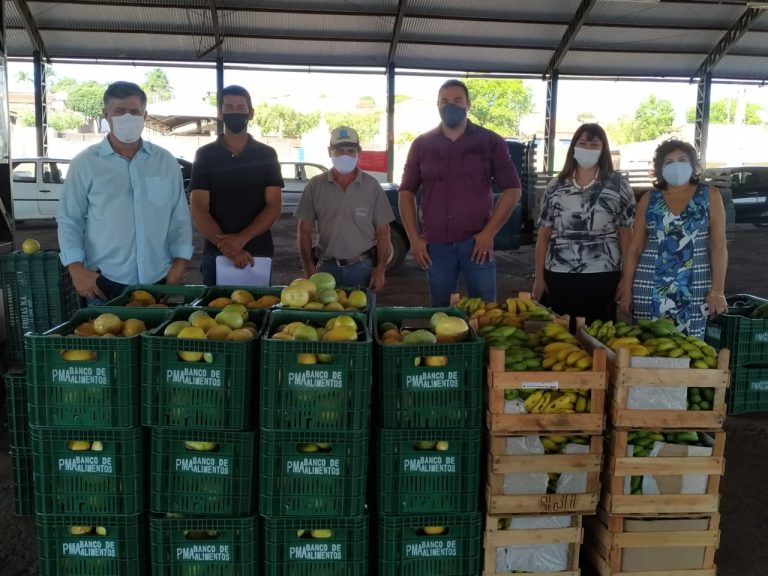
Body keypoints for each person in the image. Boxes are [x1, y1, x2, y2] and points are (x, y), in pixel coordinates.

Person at [57, 81, 193, 303]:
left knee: (159, 327)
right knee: (105, 327)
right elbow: (70, 219)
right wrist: (76, 269)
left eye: (134, 112)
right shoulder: (85, 164)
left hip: (159, 277)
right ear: (106, 114)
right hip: (103, 280)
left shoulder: (165, 161)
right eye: (119, 112)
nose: (127, 118)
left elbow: (179, 216)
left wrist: (181, 263)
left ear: (144, 115)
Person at [399, 79, 522, 306]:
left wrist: (489, 233)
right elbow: (406, 193)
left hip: (477, 244)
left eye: (457, 100)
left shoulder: (490, 142)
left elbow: (513, 189)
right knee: (441, 312)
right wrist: (414, 238)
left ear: (468, 104)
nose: (450, 106)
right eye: (444, 101)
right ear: (437, 105)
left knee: (485, 311)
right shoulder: (422, 145)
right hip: (436, 246)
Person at [619, 139, 728, 338]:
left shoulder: (710, 195)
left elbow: (719, 245)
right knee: (646, 344)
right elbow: (634, 249)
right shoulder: (649, 199)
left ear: (694, 165)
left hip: (695, 287)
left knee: (691, 347)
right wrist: (626, 290)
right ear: (660, 169)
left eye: (682, 160)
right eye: (668, 162)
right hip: (648, 286)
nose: (676, 166)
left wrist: (718, 291)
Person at [532, 123, 635, 324]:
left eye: (594, 144)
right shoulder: (556, 185)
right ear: (573, 147)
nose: (588, 148)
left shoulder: (618, 184)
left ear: (603, 149)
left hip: (603, 275)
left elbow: (626, 235)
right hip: (559, 274)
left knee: (599, 333)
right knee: (561, 334)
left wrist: (626, 279)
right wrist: (539, 278)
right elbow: (544, 235)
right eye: (582, 143)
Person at [189, 85, 284, 285]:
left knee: (259, 305)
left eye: (241, 107)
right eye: (229, 107)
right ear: (220, 113)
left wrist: (241, 239)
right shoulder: (205, 155)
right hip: (216, 254)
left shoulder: (267, 155)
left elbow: (274, 206)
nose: (235, 112)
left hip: (258, 254)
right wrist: (231, 249)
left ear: (251, 113)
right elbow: (198, 208)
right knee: (213, 306)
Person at [294, 126, 394, 291]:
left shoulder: (371, 186)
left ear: (359, 152)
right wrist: (309, 268)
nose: (345, 155)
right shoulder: (315, 186)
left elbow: (383, 230)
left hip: (363, 268)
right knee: (325, 308)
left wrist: (380, 270)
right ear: (330, 151)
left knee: (362, 308)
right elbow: (304, 230)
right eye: (339, 150)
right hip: (326, 269)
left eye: (351, 150)